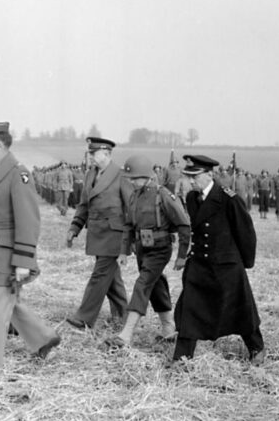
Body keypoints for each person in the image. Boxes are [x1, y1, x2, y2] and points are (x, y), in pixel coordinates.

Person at [0, 122, 60, 384]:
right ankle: (43, 339)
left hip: (8, 258)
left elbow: (28, 221)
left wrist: (23, 262)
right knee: (9, 303)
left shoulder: (19, 174)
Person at [171, 155, 265, 366]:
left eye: (195, 176)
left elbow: (246, 233)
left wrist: (244, 264)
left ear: (209, 174)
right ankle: (182, 358)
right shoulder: (192, 199)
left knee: (240, 309)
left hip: (226, 266)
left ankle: (256, 347)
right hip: (199, 265)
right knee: (190, 309)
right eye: (189, 176)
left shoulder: (228, 198)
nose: (191, 181)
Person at [105, 154, 190, 349]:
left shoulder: (164, 196)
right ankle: (168, 329)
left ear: (147, 176)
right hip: (142, 249)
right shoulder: (135, 196)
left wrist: (182, 256)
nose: (132, 182)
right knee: (155, 285)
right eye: (130, 179)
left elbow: (184, 225)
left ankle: (126, 335)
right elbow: (128, 226)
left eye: (135, 178)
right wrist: (124, 252)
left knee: (142, 284)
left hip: (160, 249)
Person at [65, 137, 129, 330]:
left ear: (107, 153)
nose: (90, 156)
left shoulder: (121, 175)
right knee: (111, 278)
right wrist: (74, 228)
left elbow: (131, 207)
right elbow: (84, 204)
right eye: (90, 153)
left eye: (94, 153)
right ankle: (123, 316)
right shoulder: (90, 174)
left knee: (100, 276)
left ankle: (84, 318)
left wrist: (130, 238)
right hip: (96, 234)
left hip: (114, 235)